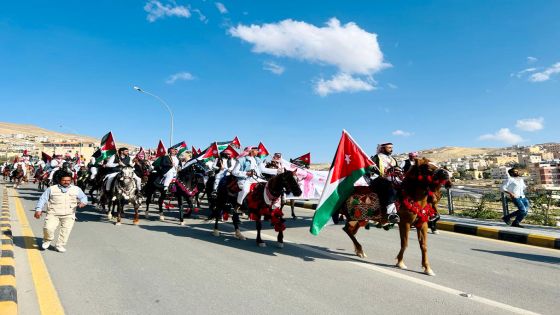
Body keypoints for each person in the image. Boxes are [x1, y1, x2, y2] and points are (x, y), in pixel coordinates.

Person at [34, 171, 88, 252]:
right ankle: (47, 240)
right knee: (48, 228)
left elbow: (84, 197)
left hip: (69, 214)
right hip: (53, 213)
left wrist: (83, 202)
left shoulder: (76, 189)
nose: (66, 182)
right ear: (60, 180)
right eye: (64, 180)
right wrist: (38, 209)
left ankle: (59, 245)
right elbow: (42, 199)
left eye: (68, 180)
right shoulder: (51, 189)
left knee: (66, 231)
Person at [366, 142, 400, 223]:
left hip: (392, 179)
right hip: (378, 181)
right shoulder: (376, 158)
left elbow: (397, 168)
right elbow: (369, 170)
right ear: (383, 148)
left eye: (391, 147)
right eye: (389, 147)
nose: (391, 149)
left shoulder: (393, 159)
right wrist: (381, 176)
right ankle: (391, 213)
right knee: (390, 186)